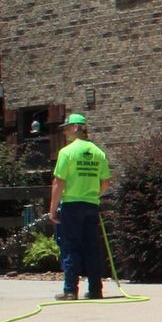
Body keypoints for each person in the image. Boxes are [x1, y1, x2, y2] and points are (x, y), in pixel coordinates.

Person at [49, 113, 111, 301]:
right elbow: (106, 182)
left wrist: (52, 209)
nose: (65, 131)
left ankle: (70, 290)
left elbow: (58, 183)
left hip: (71, 205)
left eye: (67, 127)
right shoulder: (98, 153)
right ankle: (95, 290)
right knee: (93, 247)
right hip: (91, 205)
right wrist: (93, 196)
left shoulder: (67, 152)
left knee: (71, 247)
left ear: (77, 128)